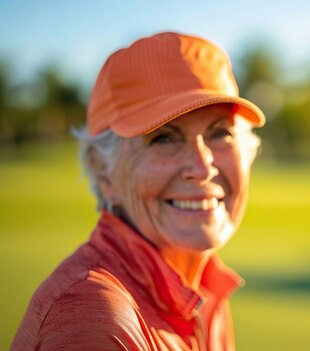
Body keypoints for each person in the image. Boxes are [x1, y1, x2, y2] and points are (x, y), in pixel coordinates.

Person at [11, 31, 264, 350]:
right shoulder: (91, 317)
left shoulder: (204, 289)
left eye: (221, 133)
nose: (202, 167)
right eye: (164, 138)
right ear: (103, 169)